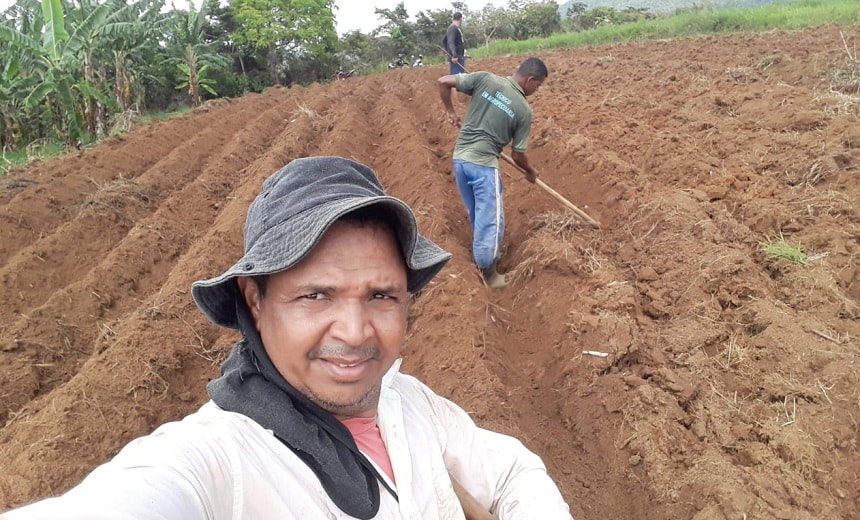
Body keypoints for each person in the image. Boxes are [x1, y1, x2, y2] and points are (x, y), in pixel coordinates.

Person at [1, 156, 573, 519]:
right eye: (315, 296)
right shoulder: (219, 461)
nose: (354, 334)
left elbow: (513, 472)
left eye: (381, 296)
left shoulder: (409, 404)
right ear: (255, 299)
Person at [438, 58, 548, 288]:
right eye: (537, 87)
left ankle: (480, 256)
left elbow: (444, 81)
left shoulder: (485, 78)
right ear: (530, 80)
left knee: (478, 212)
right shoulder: (523, 110)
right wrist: (530, 171)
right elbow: (518, 156)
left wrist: (451, 112)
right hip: (483, 166)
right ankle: (489, 274)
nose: (536, 92)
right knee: (491, 221)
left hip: (460, 160)